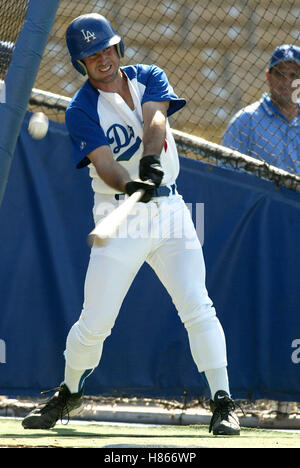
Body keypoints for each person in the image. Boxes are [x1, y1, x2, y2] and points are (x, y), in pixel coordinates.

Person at [22, 13, 240, 436]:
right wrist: (131, 180)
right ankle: (69, 391)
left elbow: (155, 120)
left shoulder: (148, 76)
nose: (102, 59)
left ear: (117, 47)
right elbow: (105, 166)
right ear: (80, 63)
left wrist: (152, 162)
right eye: (91, 55)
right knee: (95, 321)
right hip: (118, 216)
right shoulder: (81, 108)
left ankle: (222, 400)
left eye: (106, 49)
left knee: (198, 305)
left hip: (171, 211)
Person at [222, 44, 300, 175]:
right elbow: (226, 174)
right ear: (269, 77)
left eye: (293, 75)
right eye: (280, 74)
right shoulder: (245, 121)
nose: (287, 81)